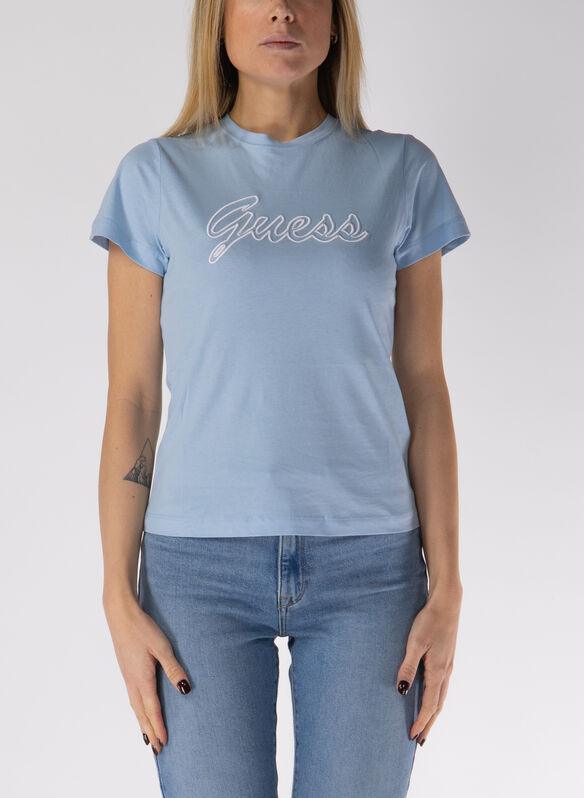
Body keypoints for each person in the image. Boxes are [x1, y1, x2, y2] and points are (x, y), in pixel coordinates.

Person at [89, 0, 470, 795]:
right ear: (218, 17)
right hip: (196, 574)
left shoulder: (401, 172)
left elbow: (426, 388)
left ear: (336, 19)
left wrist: (449, 588)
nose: (283, 10)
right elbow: (132, 399)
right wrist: (118, 596)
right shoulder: (155, 177)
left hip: (370, 568)